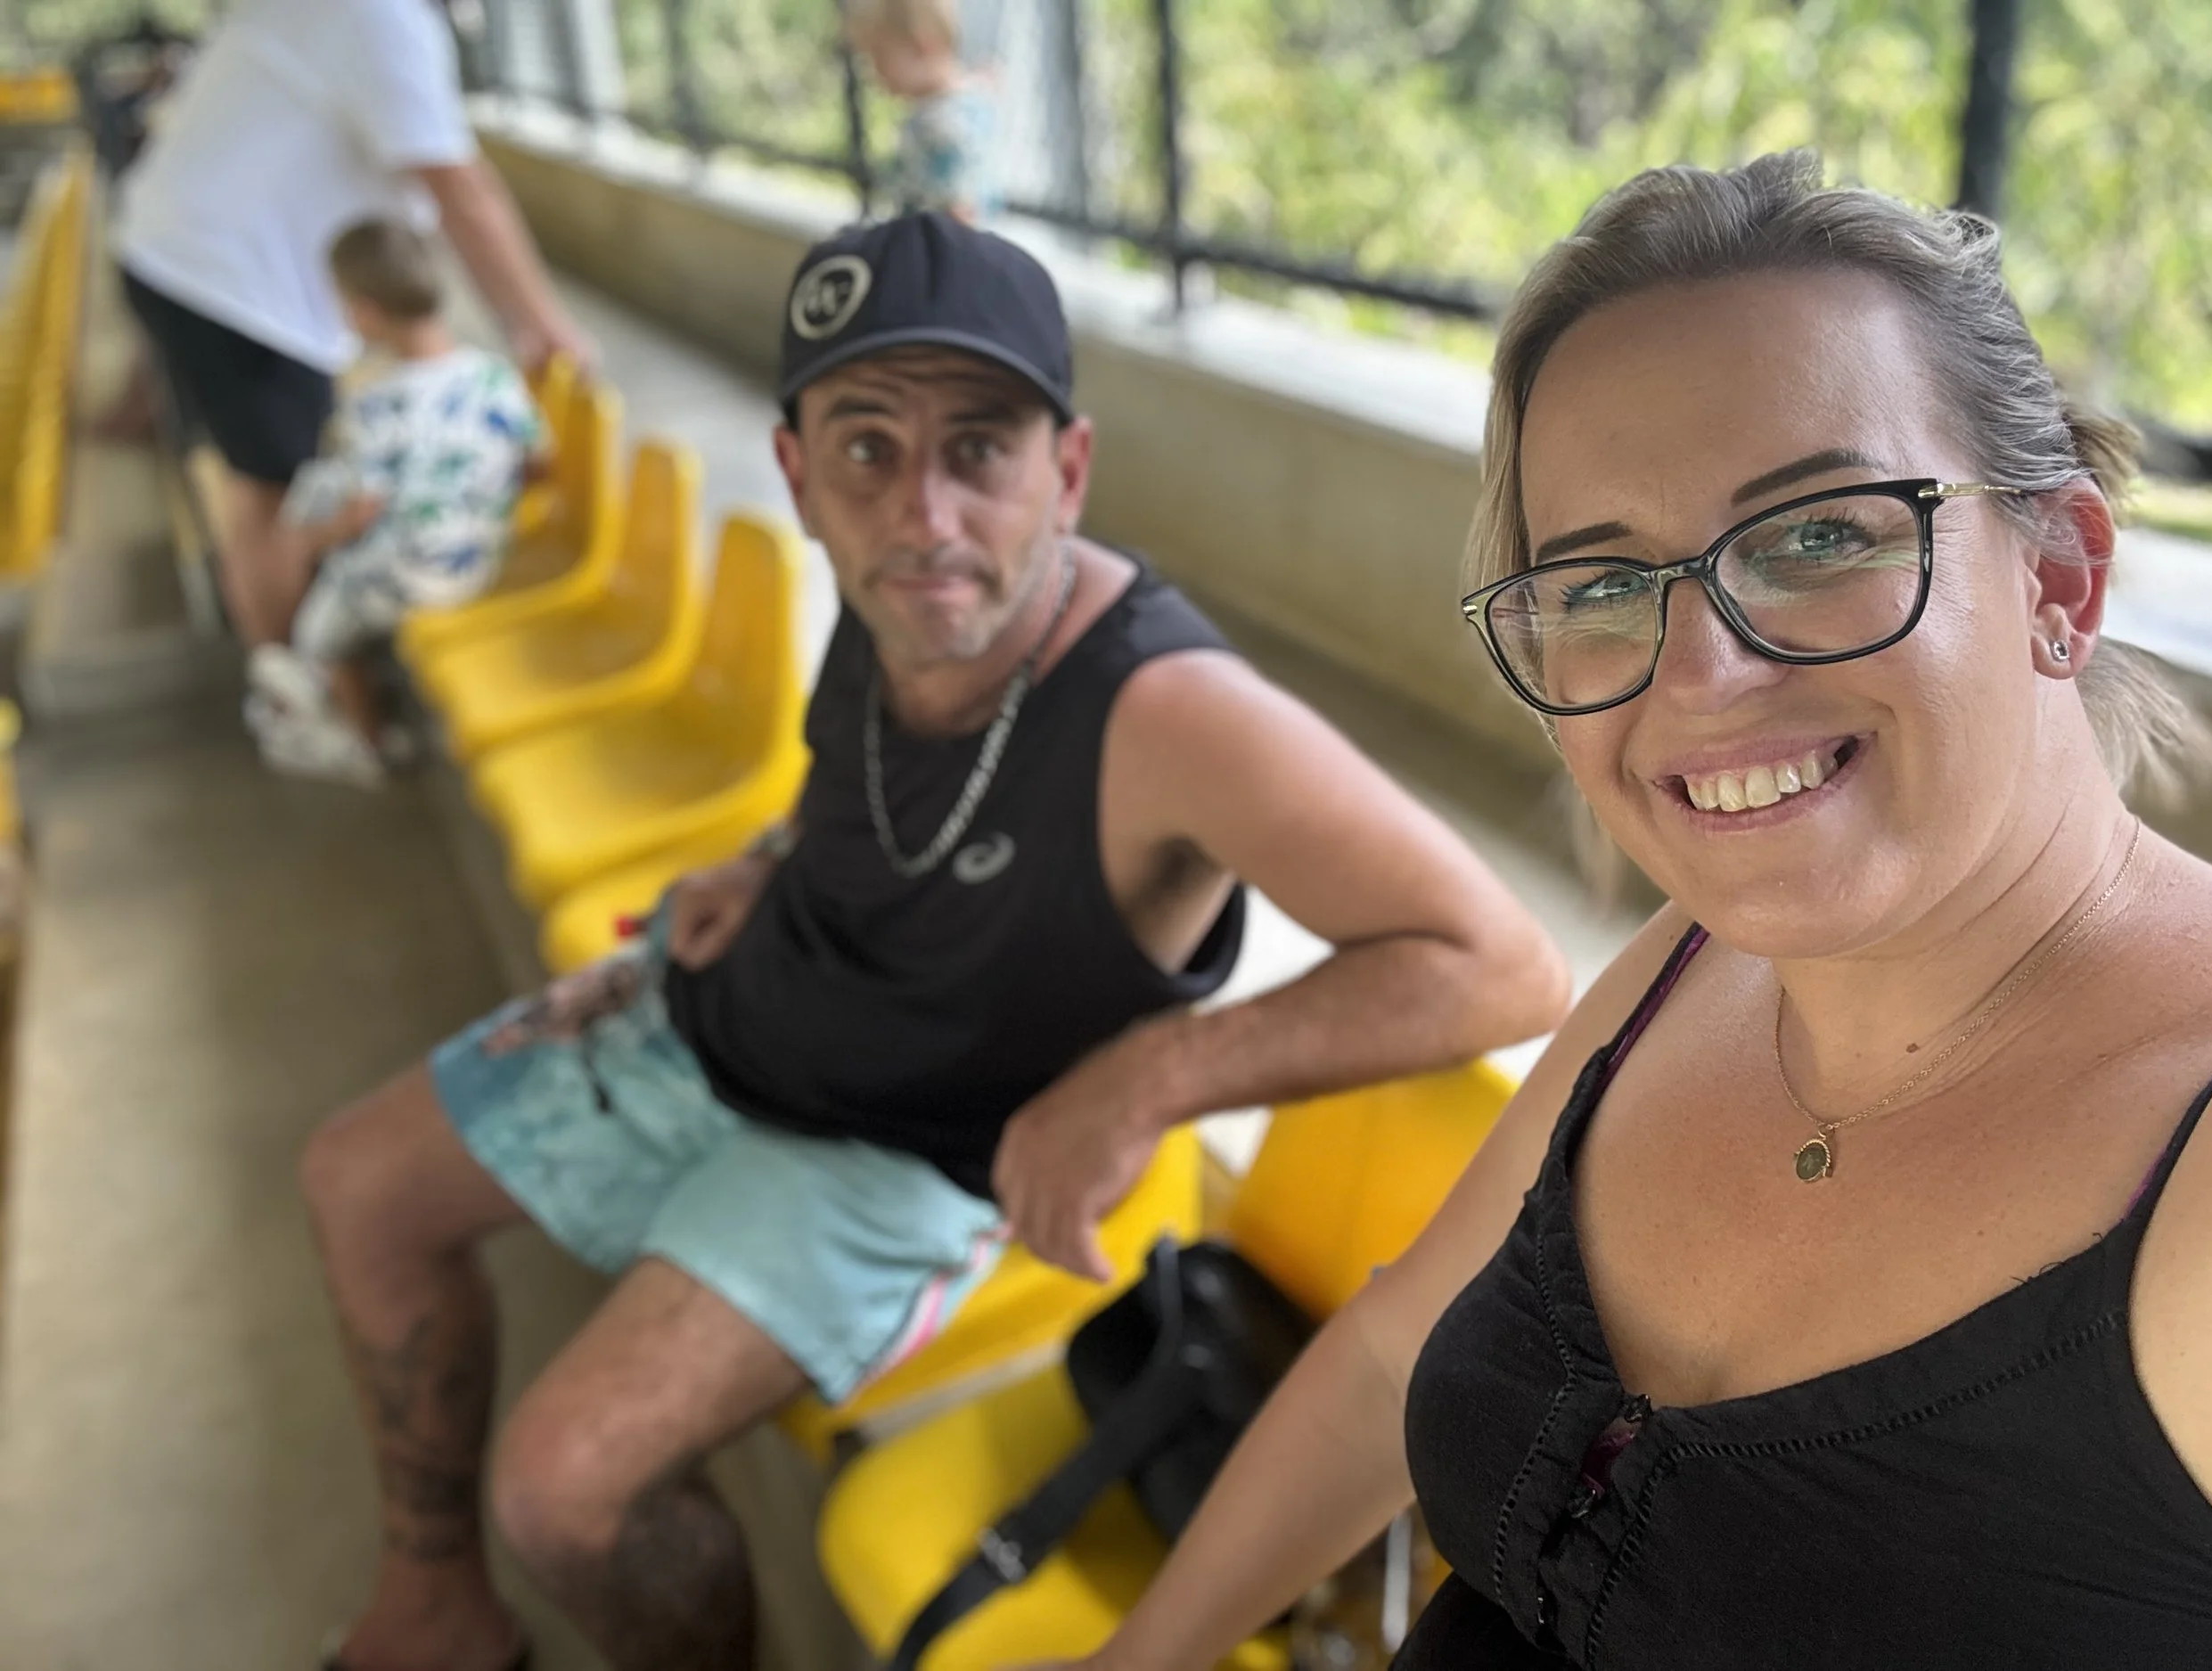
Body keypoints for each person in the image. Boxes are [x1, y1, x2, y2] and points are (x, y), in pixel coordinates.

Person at [296, 212, 1571, 1671]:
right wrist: (763, 855)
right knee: (357, 1180)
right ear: (798, 472)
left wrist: (1141, 1080)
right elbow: (869, 784)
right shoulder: (891, 596)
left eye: (980, 449)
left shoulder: (1167, 711)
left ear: (1067, 471)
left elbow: (1500, 961)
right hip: (743, 1002)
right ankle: (434, 1609)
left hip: (905, 1148)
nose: (924, 514)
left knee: (565, 1487)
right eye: (866, 449)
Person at [1033, 151, 2212, 1671]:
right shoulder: (1698, 966)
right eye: (1598, 586)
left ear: (2060, 572)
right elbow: (1396, 1350)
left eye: (1819, 536)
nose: (1697, 681)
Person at [110, 0, 587, 682]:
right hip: (229, 284)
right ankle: (291, 692)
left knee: (268, 489)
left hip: (184, 256)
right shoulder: (380, 15)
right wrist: (546, 328)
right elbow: (460, 188)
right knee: (272, 498)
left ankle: (296, 669)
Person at [248, 217, 542, 787]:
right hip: (482, 558)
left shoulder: (376, 404)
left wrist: (308, 540)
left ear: (362, 311)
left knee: (322, 623)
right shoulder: (495, 374)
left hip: (415, 576)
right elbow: (535, 461)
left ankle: (365, 742)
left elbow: (362, 511)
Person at [848, 0, 1001, 221]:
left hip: (938, 248)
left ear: (922, 46)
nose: (874, 72)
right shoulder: (970, 103)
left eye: (879, 57)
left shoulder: (943, 125)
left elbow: (961, 211)